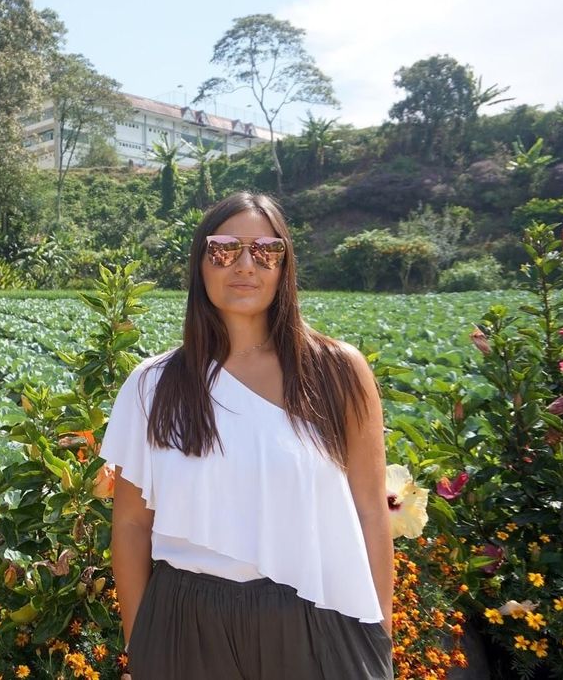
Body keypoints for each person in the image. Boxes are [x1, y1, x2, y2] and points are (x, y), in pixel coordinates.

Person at [102, 192, 394, 679]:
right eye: (223, 249)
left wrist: (378, 634)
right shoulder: (152, 385)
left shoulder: (337, 372)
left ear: (284, 266)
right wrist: (142, 640)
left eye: (265, 251)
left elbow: (370, 511)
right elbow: (132, 525)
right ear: (201, 264)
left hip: (316, 614)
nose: (244, 265)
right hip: (185, 623)